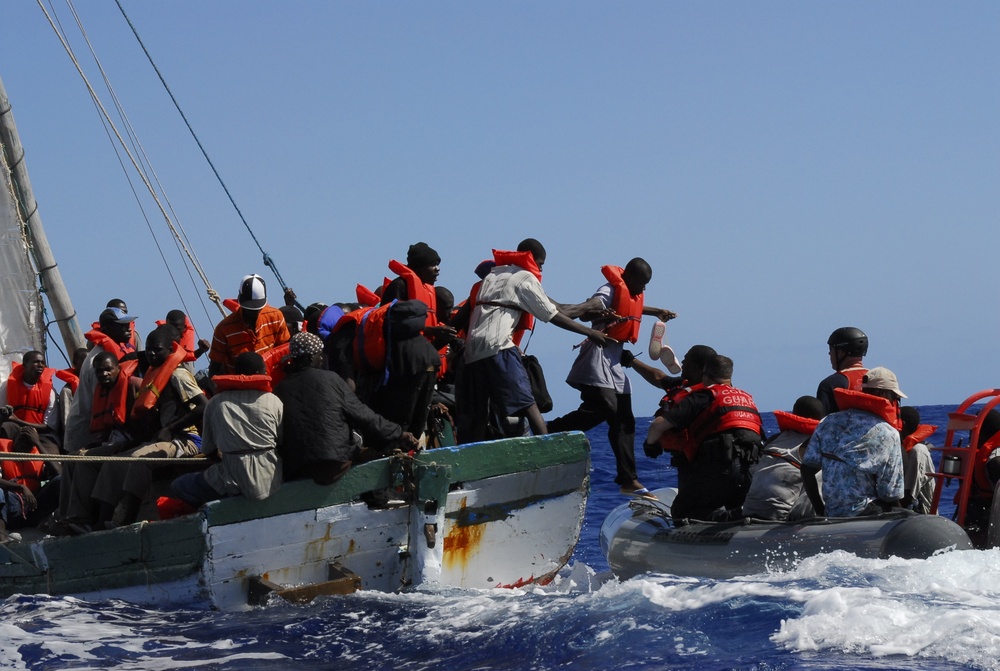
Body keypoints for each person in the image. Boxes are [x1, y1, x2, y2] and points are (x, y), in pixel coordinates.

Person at [454, 239, 609, 444]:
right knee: (528, 403)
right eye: (541, 263)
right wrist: (591, 333)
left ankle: (470, 454)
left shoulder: (493, 275)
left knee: (480, 412)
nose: (541, 268)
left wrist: (588, 308)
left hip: (472, 352)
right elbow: (553, 315)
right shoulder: (525, 278)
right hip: (498, 346)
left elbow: (559, 308)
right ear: (532, 258)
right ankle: (546, 448)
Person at [547, 258, 676, 498]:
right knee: (606, 406)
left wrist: (656, 311)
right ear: (629, 277)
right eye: (642, 283)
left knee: (625, 421)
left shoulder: (631, 295)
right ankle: (549, 429)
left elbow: (631, 309)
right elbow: (585, 309)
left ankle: (629, 480)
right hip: (596, 356)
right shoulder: (606, 291)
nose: (644, 289)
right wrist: (555, 309)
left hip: (615, 362)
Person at [66, 326, 207, 530]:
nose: (150, 354)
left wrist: (171, 428)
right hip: (161, 440)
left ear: (171, 349)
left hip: (185, 440)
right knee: (114, 462)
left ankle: (126, 518)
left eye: (156, 350)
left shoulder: (178, 375)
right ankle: (96, 521)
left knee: (139, 460)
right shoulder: (154, 374)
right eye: (148, 349)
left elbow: (204, 406)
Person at [274, 332, 419, 485]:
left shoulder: (280, 388)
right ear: (310, 358)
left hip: (297, 468)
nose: (322, 358)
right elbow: (364, 415)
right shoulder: (331, 379)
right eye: (319, 354)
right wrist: (399, 433)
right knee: (359, 435)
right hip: (333, 465)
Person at [642, 354, 764, 522]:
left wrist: (650, 444)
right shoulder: (747, 398)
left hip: (720, 468)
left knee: (681, 512)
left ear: (706, 375)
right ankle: (742, 514)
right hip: (751, 469)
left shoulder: (704, 395)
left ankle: (728, 517)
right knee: (736, 500)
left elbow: (658, 425)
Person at [171, 352, 283, 508]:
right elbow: (282, 442)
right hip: (270, 478)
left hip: (231, 478)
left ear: (236, 373)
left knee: (179, 485)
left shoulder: (215, 402)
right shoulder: (274, 401)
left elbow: (209, 450)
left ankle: (222, 509)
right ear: (260, 374)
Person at [801, 367, 905, 517]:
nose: (895, 403)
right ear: (884, 395)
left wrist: (820, 511)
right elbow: (890, 494)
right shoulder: (888, 434)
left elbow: (807, 469)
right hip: (865, 512)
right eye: (895, 398)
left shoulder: (827, 421)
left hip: (831, 513)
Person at [63, 307, 138, 454]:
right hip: (85, 435)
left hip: (99, 434)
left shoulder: (110, 356)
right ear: (107, 328)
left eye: (128, 324)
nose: (128, 328)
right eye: (121, 325)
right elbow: (103, 404)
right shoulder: (97, 363)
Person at [741, 396, 825, 521]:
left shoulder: (774, 439)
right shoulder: (813, 444)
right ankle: (821, 515)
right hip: (779, 515)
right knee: (826, 469)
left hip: (749, 509)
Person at [208, 274, 291, 376]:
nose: (252, 313)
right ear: (239, 299)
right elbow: (214, 369)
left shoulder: (276, 317)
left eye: (256, 309)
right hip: (238, 387)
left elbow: (285, 352)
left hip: (270, 383)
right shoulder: (223, 329)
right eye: (249, 309)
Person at [0, 351, 63, 474]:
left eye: (42, 363)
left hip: (41, 432)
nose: (40, 365)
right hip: (14, 427)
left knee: (53, 456)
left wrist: (18, 420)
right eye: (36, 362)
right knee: (4, 427)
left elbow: (48, 426)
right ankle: (4, 467)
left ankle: (48, 476)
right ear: (25, 365)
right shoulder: (6, 386)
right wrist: (5, 414)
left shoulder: (50, 392)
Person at [816, 327, 868, 415]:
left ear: (840, 352)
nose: (829, 354)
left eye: (831, 349)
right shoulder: (881, 380)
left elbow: (821, 425)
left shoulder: (830, 384)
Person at [899, 406, 937, 514]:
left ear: (902, 424)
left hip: (923, 515)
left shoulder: (918, 451)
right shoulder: (902, 447)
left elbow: (908, 496)